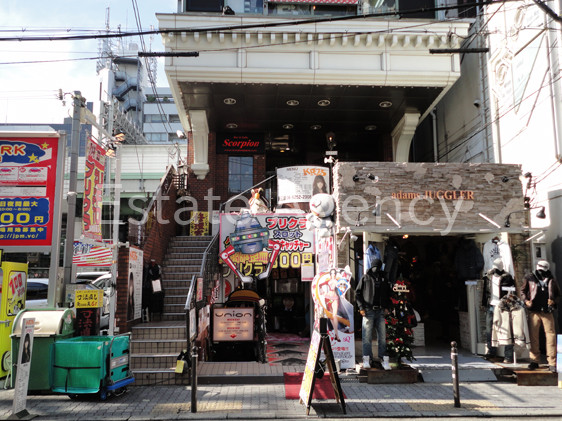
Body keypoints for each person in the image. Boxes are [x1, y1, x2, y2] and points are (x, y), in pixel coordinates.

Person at [520, 259, 560, 372]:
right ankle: (534, 360)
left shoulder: (551, 279)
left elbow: (558, 294)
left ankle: (552, 362)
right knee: (533, 336)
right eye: (540, 269)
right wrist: (526, 301)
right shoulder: (530, 278)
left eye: (544, 269)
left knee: (551, 336)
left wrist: (553, 301)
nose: (541, 272)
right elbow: (522, 291)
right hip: (534, 311)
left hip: (547, 311)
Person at [355, 257, 391, 370]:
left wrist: (387, 307)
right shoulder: (366, 277)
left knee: (382, 336)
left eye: (377, 267)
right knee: (366, 336)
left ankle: (383, 358)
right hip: (368, 310)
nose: (376, 269)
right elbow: (358, 293)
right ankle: (367, 358)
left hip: (380, 311)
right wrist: (361, 307)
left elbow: (388, 293)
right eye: (374, 267)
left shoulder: (384, 278)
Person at [482, 258, 515, 362]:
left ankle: (508, 355)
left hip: (503, 306)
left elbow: (512, 292)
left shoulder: (507, 277)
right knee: (489, 330)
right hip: (491, 305)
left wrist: (508, 303)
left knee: (506, 330)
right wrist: (484, 303)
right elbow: (485, 291)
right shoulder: (489, 276)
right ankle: (491, 351)